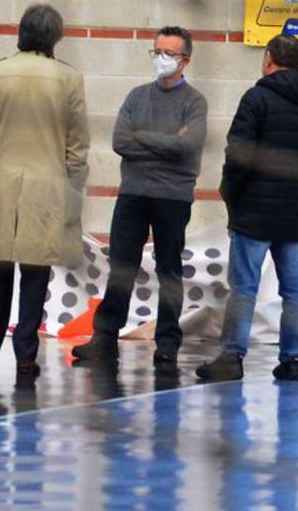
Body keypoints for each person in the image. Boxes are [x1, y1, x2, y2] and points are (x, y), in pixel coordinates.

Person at [196, 34, 298, 382]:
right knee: (294, 287)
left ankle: (231, 357)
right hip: (292, 213)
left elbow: (238, 155)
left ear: (269, 58)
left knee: (245, 285)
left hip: (254, 211)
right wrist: (295, 191)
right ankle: (292, 361)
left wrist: (232, 195)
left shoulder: (256, 98)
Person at [70, 26, 208, 365]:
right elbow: (120, 142)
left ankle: (167, 342)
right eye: (156, 51)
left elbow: (187, 146)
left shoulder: (194, 102)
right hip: (133, 193)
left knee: (169, 269)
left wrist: (143, 139)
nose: (161, 59)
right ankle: (104, 337)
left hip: (173, 198)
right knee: (121, 267)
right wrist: (165, 141)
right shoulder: (136, 96)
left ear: (185, 61)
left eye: (169, 54)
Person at [0, 4, 90, 377]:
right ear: (55, 36)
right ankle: (25, 354)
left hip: (1, 185)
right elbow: (77, 145)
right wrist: (73, 188)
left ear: (20, 31)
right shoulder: (69, 79)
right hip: (49, 187)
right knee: (36, 275)